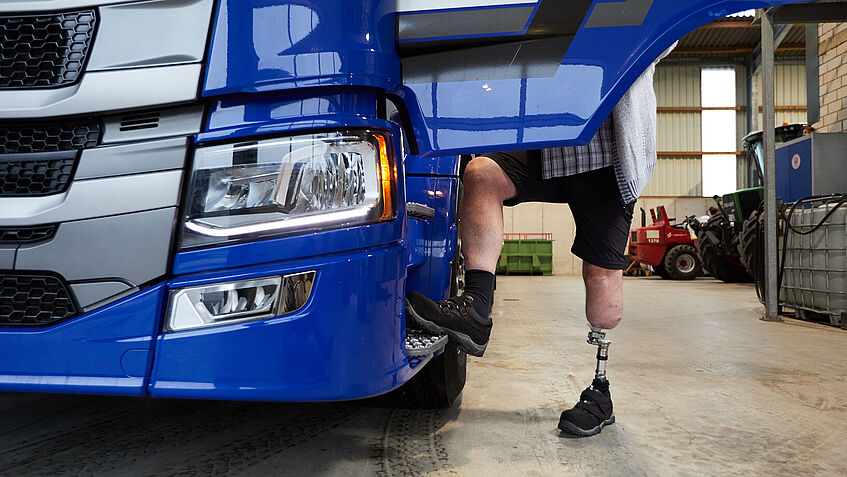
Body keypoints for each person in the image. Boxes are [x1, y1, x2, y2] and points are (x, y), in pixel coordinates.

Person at [406, 45, 675, 437]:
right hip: (548, 139)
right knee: (481, 174)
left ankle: (600, 392)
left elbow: (661, 37)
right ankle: (476, 308)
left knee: (604, 307)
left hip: (610, 153)